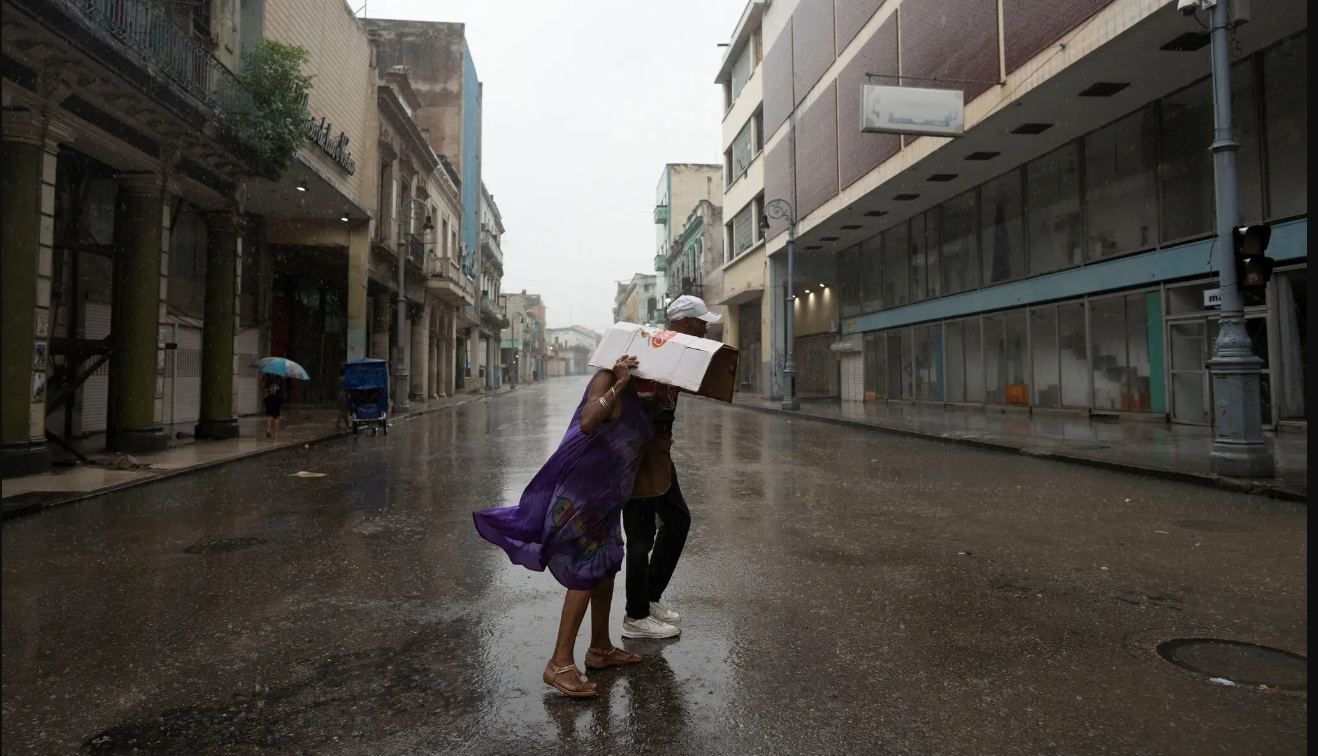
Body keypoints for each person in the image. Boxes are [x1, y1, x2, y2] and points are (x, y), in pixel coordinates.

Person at [473, 354, 655, 698]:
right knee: (588, 567)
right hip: (584, 491)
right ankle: (558, 664)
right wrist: (618, 383)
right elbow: (588, 421)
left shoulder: (646, 396)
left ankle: (599, 648)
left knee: (608, 563)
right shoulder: (608, 380)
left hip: (607, 495)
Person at [620, 295, 721, 640]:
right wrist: (656, 403)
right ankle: (636, 616)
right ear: (682, 323)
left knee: (676, 520)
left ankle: (647, 599)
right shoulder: (655, 352)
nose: (706, 328)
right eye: (700, 322)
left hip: (656, 451)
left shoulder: (676, 353)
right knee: (641, 532)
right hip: (637, 453)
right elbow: (632, 400)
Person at [263, 374, 283, 439]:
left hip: (268, 398)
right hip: (277, 398)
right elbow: (282, 388)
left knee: (269, 414)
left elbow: (262, 387)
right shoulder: (279, 377)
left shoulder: (266, 376)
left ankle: (268, 428)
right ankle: (275, 434)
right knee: (276, 416)